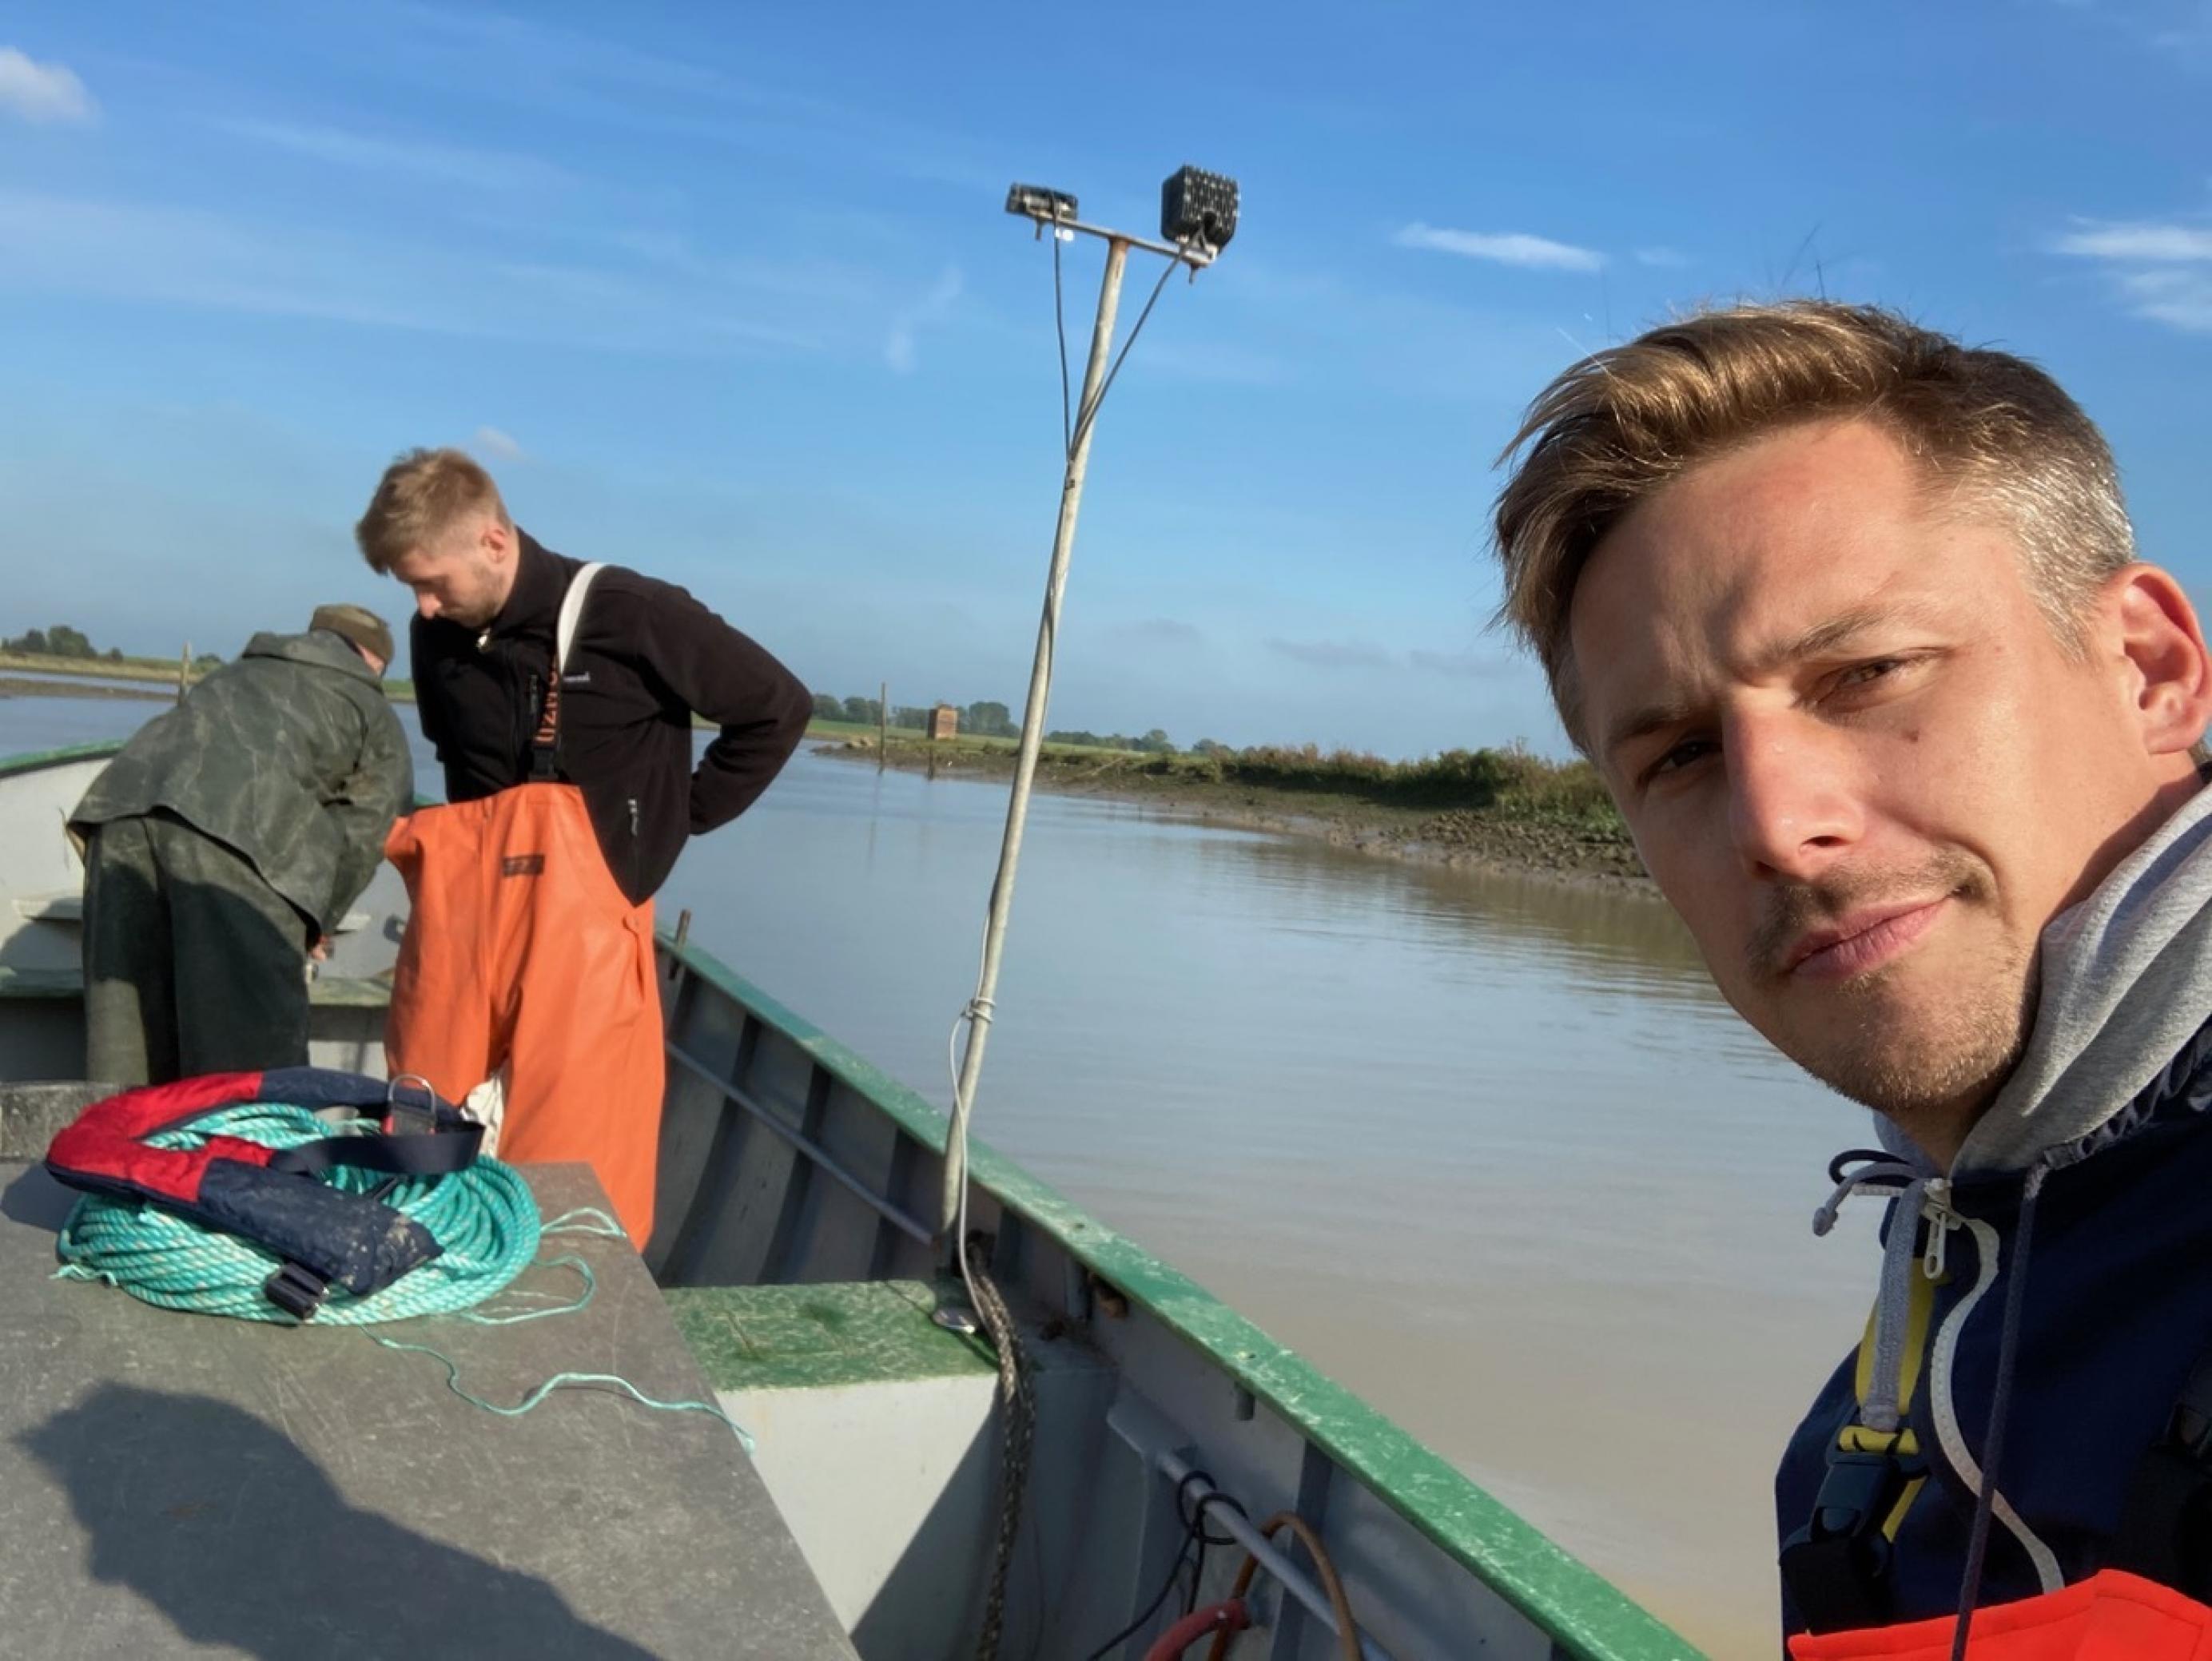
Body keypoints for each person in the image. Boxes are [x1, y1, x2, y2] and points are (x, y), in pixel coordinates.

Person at [1490, 301, 2212, 1655]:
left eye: (1867, 671)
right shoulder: (1951, 1278)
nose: (1772, 821)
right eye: (1680, 758)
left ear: (2148, 670)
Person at [355, 448, 810, 1249]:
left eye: (432, 582)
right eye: (407, 588)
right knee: (424, 1133)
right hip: (461, 927)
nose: (421, 608)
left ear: (493, 542)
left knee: (569, 1171)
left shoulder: (631, 612)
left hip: (586, 939)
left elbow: (777, 709)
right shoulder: (437, 638)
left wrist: (678, 821)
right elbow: (455, 769)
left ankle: (568, 1312)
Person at [70, 605, 412, 1085]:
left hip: (118, 814)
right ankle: (243, 1157)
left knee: (126, 1044)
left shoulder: (235, 674)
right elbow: (368, 828)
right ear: (373, 662)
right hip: (237, 834)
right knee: (251, 1066)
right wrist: (317, 921)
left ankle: (118, 1155)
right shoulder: (368, 705)